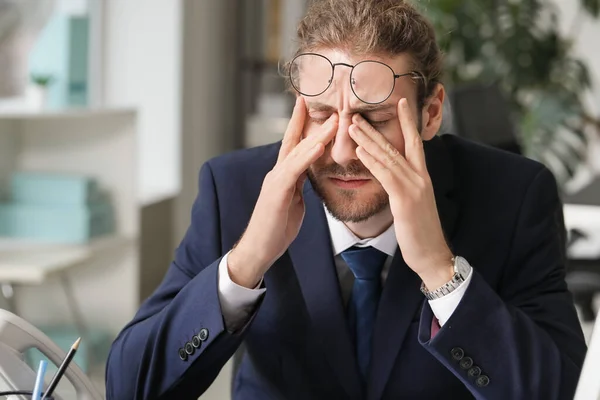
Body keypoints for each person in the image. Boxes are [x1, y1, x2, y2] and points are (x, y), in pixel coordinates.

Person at [105, 0, 587, 399]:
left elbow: (561, 390)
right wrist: (247, 260)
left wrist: (442, 273)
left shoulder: (515, 195)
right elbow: (129, 387)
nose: (342, 153)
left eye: (373, 121)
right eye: (320, 115)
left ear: (432, 113)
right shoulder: (234, 188)